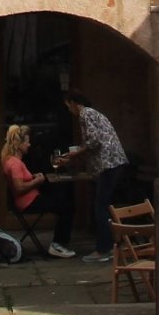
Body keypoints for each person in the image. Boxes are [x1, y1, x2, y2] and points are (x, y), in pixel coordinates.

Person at [52, 89, 129, 263]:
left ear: (73, 103)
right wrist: (75, 157)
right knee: (103, 205)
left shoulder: (85, 114)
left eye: (68, 106)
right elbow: (95, 143)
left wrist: (76, 152)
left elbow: (94, 141)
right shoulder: (93, 114)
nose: (69, 110)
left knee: (101, 206)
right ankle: (111, 245)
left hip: (109, 163)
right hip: (113, 162)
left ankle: (104, 249)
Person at [0, 125, 78, 258]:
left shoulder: (10, 161)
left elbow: (20, 181)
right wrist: (37, 181)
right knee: (67, 207)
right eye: (27, 142)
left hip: (30, 199)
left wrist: (33, 176)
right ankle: (57, 245)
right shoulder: (15, 163)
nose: (29, 145)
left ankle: (59, 243)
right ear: (19, 145)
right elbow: (19, 188)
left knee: (61, 200)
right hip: (28, 202)